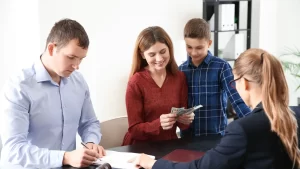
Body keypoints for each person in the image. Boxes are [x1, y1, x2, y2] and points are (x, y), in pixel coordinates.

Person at [130, 48, 300, 169]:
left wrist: (153, 164)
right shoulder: (296, 114)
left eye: (234, 82)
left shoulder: (241, 129)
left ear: (245, 83)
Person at [0, 18, 105, 168]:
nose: (77, 66)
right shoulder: (19, 87)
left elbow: (89, 123)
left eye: (81, 59)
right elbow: (13, 149)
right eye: (71, 57)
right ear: (51, 49)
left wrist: (90, 142)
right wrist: (64, 157)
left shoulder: (79, 82)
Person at [122, 26, 195, 145]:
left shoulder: (179, 78)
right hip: (141, 148)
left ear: (169, 49)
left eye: (163, 52)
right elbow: (134, 130)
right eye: (152, 54)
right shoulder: (136, 82)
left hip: (169, 145)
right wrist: (158, 124)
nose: (159, 59)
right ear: (142, 55)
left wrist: (185, 119)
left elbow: (182, 126)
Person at [178, 18, 251, 137]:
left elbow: (236, 99)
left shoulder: (222, 67)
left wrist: (254, 124)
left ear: (209, 43)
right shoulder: (180, 70)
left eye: (199, 48)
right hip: (188, 138)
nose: (194, 52)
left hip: (216, 137)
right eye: (189, 47)